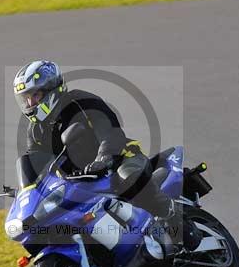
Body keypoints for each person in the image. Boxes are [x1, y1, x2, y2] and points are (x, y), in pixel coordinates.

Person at [13, 60, 197, 253]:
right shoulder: (36, 130)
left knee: (129, 179)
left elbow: (110, 133)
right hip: (80, 180)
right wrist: (26, 191)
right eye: (26, 98)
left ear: (52, 89)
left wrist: (104, 158)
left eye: (35, 95)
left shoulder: (81, 102)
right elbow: (35, 160)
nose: (30, 103)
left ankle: (175, 220)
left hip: (120, 159)